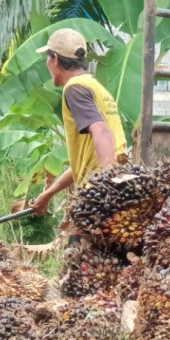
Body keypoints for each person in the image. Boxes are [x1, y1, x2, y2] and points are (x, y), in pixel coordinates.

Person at [28, 28, 127, 215]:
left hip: (100, 194)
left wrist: (107, 184)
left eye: (47, 59)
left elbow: (101, 131)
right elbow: (83, 164)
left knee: (78, 242)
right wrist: (48, 194)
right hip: (118, 185)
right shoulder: (95, 87)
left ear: (55, 59)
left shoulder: (74, 88)